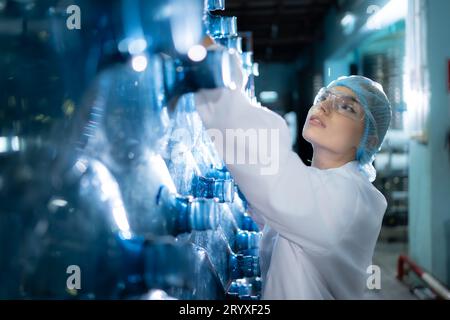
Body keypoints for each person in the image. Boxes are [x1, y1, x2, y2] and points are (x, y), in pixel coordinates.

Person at [193, 52, 392, 299]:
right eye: (324, 96)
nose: (325, 106)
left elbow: (270, 172)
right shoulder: (323, 186)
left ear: (369, 139)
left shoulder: (349, 199)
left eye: (346, 107)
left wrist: (216, 74)